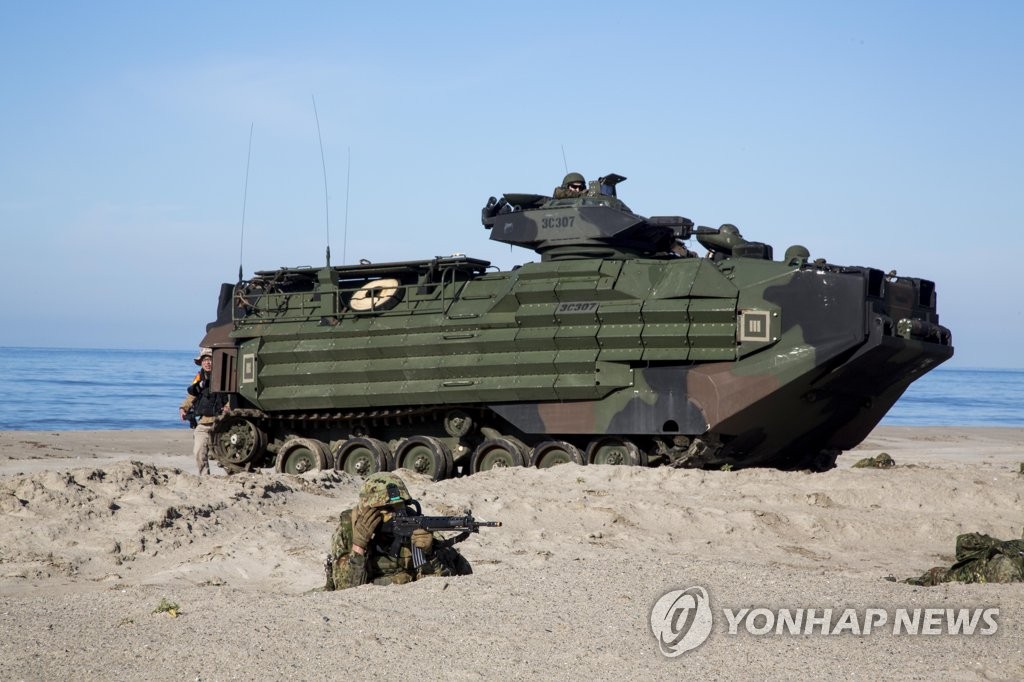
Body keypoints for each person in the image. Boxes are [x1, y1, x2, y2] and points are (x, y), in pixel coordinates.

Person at [324, 472, 473, 589]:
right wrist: (359, 546)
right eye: (387, 509)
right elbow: (344, 589)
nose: (395, 514)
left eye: (400, 507)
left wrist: (430, 553)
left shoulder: (416, 526)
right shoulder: (349, 529)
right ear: (367, 510)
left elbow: (446, 582)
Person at [178, 347, 228, 476]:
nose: (207, 362)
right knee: (199, 451)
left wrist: (228, 407)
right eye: (205, 360)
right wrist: (183, 408)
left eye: (210, 359)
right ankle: (205, 478)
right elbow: (191, 395)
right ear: (201, 362)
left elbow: (233, 396)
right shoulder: (199, 377)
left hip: (223, 421)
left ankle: (235, 477)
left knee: (227, 453)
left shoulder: (225, 376)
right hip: (204, 421)